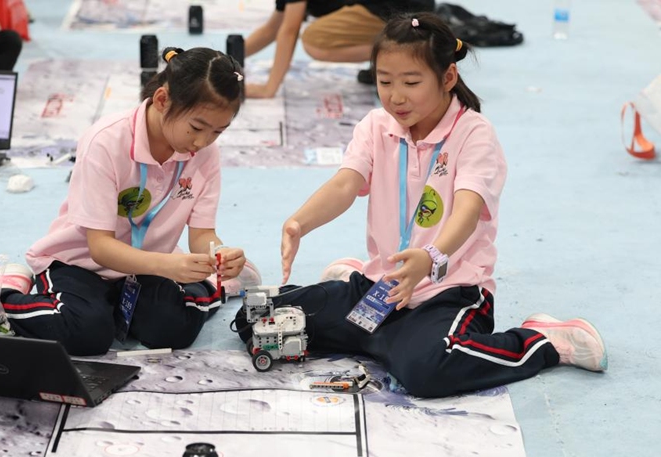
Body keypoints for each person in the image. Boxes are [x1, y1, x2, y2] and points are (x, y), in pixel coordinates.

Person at [233, 13, 607, 398]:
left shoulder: (474, 134)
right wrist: (299, 222)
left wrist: (430, 257)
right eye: (385, 81)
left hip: (448, 292)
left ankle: (543, 342)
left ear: (447, 78)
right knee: (256, 320)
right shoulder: (377, 125)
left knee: (426, 371)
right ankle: (377, 327)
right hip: (382, 285)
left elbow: (466, 209)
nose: (396, 96)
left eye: (411, 82)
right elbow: (347, 183)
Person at [0, 47, 262, 356]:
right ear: (162, 99)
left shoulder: (205, 154)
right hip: (80, 262)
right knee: (86, 333)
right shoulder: (106, 141)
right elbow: (100, 247)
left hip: (147, 266)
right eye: (197, 127)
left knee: (173, 331)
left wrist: (217, 253)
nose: (203, 142)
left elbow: (202, 234)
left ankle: (214, 282)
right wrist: (168, 266)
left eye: (218, 132)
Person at [244, 0, 434, 98]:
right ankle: (398, 52)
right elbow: (271, 30)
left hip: (398, 9)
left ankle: (409, 50)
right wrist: (227, 56)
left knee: (315, 40)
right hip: (397, 7)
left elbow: (289, 31)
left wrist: (269, 88)